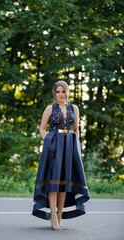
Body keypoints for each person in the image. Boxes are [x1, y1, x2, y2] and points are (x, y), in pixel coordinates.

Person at [32, 80, 90, 230]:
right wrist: (49, 142)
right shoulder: (49, 109)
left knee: (65, 182)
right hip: (53, 149)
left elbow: (76, 129)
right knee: (54, 182)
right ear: (54, 93)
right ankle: (52, 216)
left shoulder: (74, 108)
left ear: (67, 92)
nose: (60, 94)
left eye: (63, 91)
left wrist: (76, 145)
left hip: (69, 148)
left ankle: (59, 216)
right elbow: (42, 129)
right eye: (57, 92)